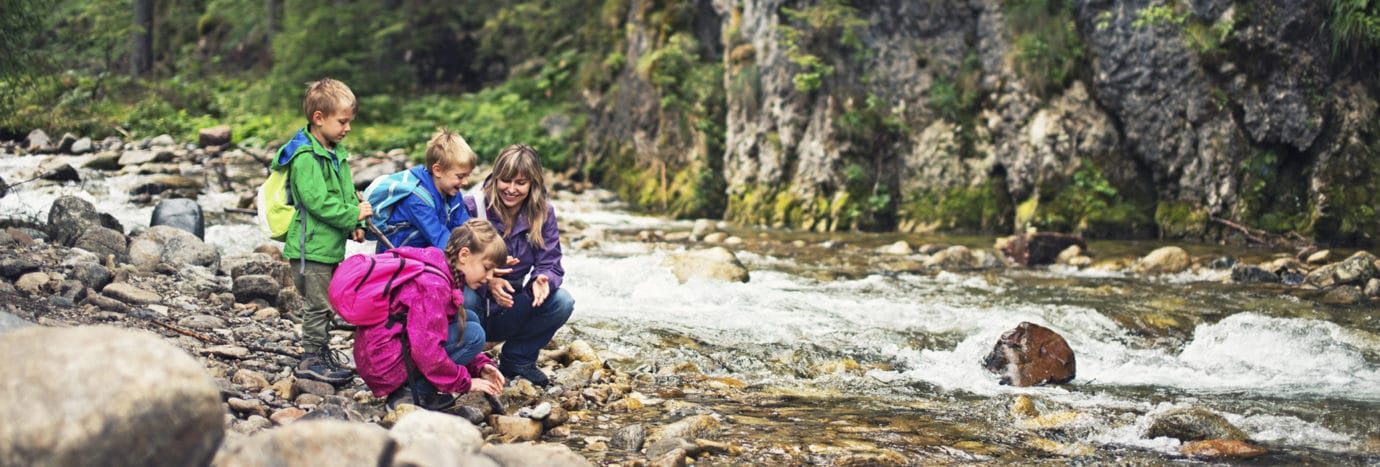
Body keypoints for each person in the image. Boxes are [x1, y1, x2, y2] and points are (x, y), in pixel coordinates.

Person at [272, 77, 373, 385]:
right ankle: (310, 359)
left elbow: (344, 193)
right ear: (319, 118)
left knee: (327, 301)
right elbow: (315, 201)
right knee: (318, 305)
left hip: (329, 245)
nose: (348, 128)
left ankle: (320, 352)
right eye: (342, 121)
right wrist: (352, 214)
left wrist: (355, 224)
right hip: (310, 247)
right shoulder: (305, 156)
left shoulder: (335, 151)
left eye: (349, 121)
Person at [353, 219, 507, 407]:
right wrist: (464, 382)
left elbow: (437, 330)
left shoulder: (441, 264)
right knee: (474, 335)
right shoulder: (434, 286)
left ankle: (416, 385)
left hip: (381, 355)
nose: (490, 277)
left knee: (469, 319)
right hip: (384, 366)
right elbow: (425, 347)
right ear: (464, 255)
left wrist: (479, 366)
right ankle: (412, 392)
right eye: (487, 268)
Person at [464, 143, 574, 387]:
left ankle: (518, 360)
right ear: (495, 178)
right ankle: (466, 361)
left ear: (532, 183)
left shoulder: (543, 213)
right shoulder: (473, 206)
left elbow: (551, 263)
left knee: (562, 301)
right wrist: (489, 280)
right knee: (465, 297)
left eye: (521, 183)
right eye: (505, 181)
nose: (511, 189)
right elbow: (453, 263)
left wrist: (542, 280)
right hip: (475, 301)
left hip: (510, 306)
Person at [373, 128, 477, 252]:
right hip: (396, 261)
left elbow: (463, 227)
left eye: (468, 175)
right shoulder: (417, 199)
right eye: (460, 176)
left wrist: (482, 252)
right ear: (437, 170)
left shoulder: (453, 193)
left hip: (424, 255)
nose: (465, 182)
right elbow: (439, 238)